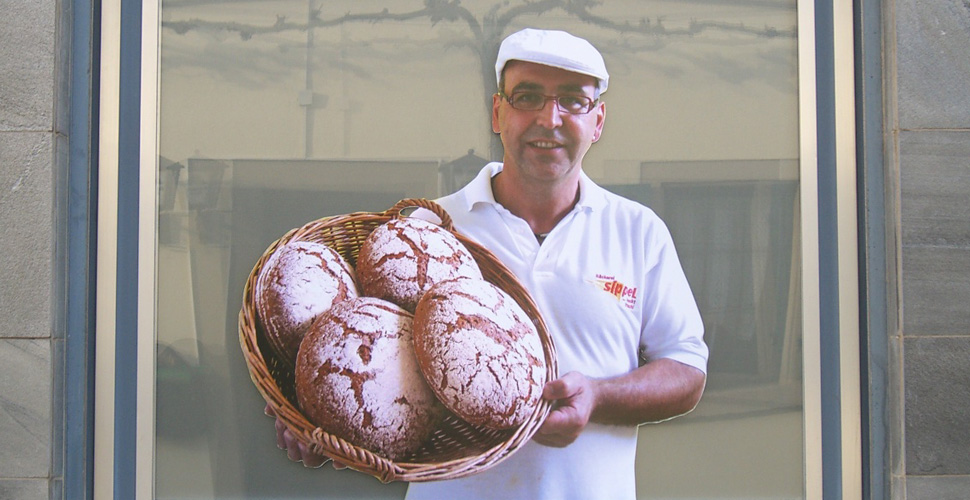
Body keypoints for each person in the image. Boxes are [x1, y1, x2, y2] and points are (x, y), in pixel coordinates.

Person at [273, 28, 709, 500]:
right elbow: (357, 345)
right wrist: (315, 418)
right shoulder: (428, 234)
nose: (550, 118)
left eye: (572, 101)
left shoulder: (637, 231)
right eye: (528, 97)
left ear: (598, 120)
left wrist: (598, 398)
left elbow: (686, 369)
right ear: (498, 112)